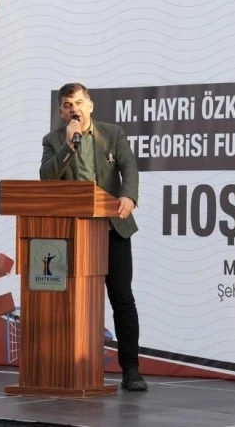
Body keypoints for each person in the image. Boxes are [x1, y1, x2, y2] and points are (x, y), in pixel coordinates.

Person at [39, 82, 148, 392]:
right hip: (74, 233)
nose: (73, 109)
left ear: (90, 105)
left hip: (112, 227)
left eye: (78, 103)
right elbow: (47, 178)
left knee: (122, 298)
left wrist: (129, 195)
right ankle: (71, 366)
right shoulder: (53, 141)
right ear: (61, 112)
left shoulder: (112, 134)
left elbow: (128, 166)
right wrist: (68, 146)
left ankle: (131, 369)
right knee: (71, 301)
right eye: (67, 105)